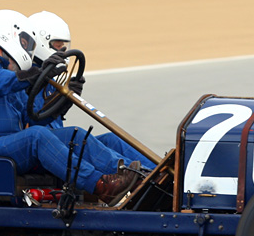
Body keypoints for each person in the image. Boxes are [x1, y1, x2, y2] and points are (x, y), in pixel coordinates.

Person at [0, 9, 138, 203]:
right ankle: (101, 186)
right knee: (36, 136)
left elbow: (33, 116)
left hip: (9, 144)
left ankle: (137, 177)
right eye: (25, 43)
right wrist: (35, 74)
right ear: (5, 35)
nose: (27, 49)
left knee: (76, 135)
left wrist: (62, 102)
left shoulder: (8, 74)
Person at [28, 11, 158, 172]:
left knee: (112, 140)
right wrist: (59, 102)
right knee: (79, 137)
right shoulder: (29, 78)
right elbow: (33, 120)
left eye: (64, 45)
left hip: (57, 139)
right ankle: (137, 174)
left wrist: (64, 101)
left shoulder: (51, 76)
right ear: (41, 42)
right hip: (46, 150)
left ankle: (159, 170)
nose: (62, 49)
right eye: (57, 44)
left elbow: (51, 117)